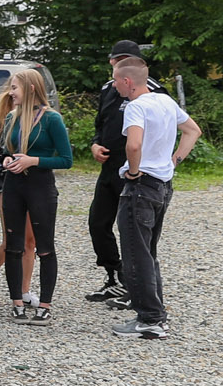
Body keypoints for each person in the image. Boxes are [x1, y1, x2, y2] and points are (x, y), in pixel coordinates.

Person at [109, 57, 202, 341]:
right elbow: (193, 130)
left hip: (141, 185)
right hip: (163, 184)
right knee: (148, 252)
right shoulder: (164, 101)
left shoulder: (136, 107)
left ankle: (149, 319)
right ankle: (155, 313)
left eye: (115, 80)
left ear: (127, 82)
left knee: (136, 253)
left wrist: (134, 171)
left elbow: (133, 143)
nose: (113, 85)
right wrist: (176, 159)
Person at [84, 41, 163, 307]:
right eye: (116, 59)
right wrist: (95, 144)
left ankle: (138, 287)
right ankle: (114, 276)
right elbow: (100, 124)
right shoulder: (109, 88)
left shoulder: (152, 91)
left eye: (126, 59)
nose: (118, 64)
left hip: (135, 169)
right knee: (98, 222)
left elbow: (163, 128)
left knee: (135, 231)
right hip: (109, 166)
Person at [0, 71, 71, 323]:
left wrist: (33, 160)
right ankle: (17, 302)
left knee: (44, 247)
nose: (11, 92)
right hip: (13, 186)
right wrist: (8, 159)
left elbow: (66, 160)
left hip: (40, 186)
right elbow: (4, 151)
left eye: (15, 87)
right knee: (13, 245)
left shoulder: (51, 119)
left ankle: (45, 304)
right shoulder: (12, 117)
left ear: (31, 88)